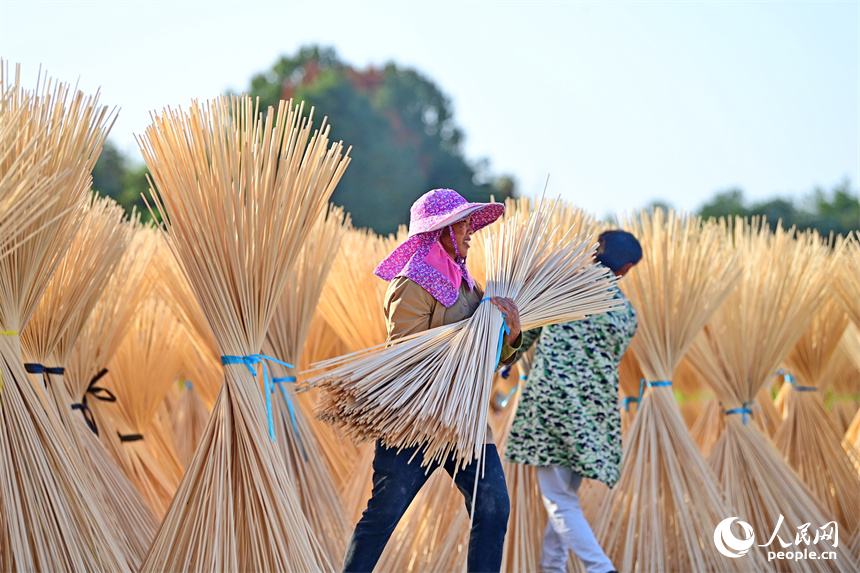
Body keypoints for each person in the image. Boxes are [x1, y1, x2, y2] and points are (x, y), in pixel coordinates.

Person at [342, 188, 523, 573]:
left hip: (463, 420)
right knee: (383, 516)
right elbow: (407, 353)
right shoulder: (411, 283)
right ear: (438, 230)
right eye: (461, 224)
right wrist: (472, 334)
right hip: (415, 419)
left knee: (493, 507)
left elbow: (490, 360)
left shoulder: (469, 286)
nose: (469, 232)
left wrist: (509, 333)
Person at [504, 230, 642, 573]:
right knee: (565, 498)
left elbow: (528, 332)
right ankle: (554, 568)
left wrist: (505, 359)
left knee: (559, 501)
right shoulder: (626, 313)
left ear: (594, 254)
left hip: (553, 404)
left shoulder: (565, 288)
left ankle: (599, 568)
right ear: (624, 268)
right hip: (594, 414)